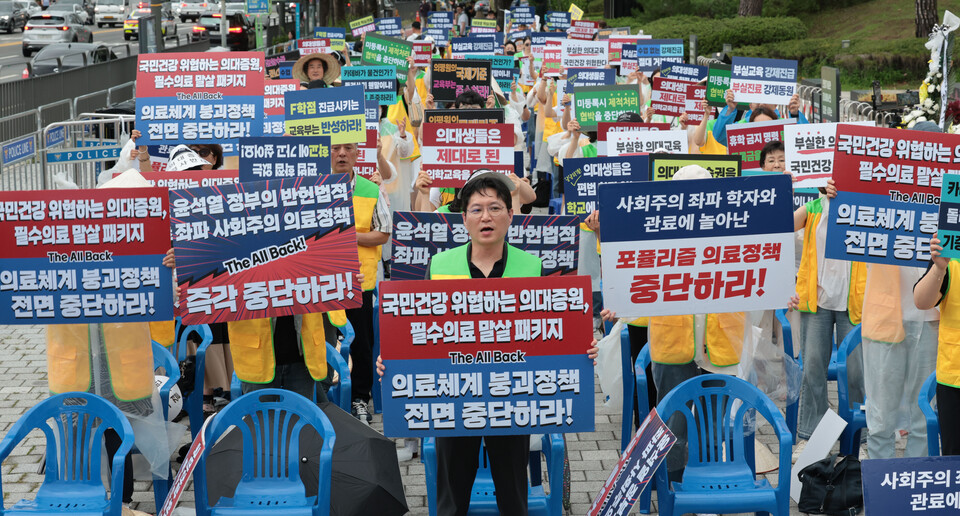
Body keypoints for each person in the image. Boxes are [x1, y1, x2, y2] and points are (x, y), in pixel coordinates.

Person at [377, 169, 599, 514]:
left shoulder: (532, 267)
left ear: (510, 215)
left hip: (512, 400)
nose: (486, 217)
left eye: (495, 208)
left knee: (513, 495)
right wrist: (392, 360)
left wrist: (580, 351)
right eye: (477, 209)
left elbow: (551, 331)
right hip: (453, 400)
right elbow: (415, 330)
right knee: (451, 499)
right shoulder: (439, 265)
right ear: (463, 219)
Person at [791, 178, 866, 457]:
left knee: (856, 371)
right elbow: (783, 224)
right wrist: (787, 187)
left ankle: (859, 441)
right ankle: (811, 436)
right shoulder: (813, 208)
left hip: (853, 302)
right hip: (817, 300)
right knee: (812, 367)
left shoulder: (865, 206)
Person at [331, 141, 391, 423]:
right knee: (325, 340)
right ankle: (325, 398)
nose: (342, 154)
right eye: (335, 148)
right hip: (321, 282)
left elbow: (384, 232)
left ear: (357, 153)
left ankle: (359, 399)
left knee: (361, 343)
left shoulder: (370, 189)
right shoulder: (310, 186)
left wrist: (348, 236)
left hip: (359, 280)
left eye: (348, 148)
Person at [914, 233, 960, 456]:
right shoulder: (952, 252)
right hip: (955, 380)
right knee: (955, 460)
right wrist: (939, 268)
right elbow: (922, 301)